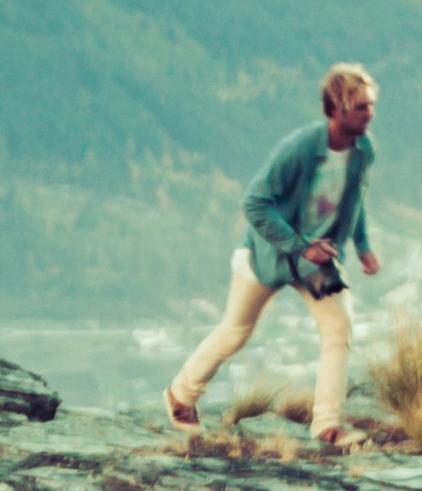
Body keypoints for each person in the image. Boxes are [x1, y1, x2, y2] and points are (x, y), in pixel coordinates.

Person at [161, 63, 382, 444]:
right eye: (361, 107)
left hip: (317, 261)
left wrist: (362, 246)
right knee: (235, 333)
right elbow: (254, 203)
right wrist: (300, 245)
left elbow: (355, 199)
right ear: (337, 109)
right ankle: (181, 395)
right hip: (270, 255)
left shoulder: (364, 150)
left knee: (338, 330)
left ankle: (326, 426)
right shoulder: (299, 149)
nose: (370, 114)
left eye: (371, 105)